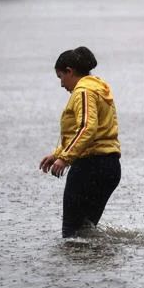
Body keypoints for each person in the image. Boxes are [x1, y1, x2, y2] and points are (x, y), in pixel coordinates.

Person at [39, 46, 121, 238]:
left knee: (71, 235)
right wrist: (58, 154)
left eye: (61, 77)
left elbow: (87, 128)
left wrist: (65, 158)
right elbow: (93, 130)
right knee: (85, 233)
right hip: (109, 167)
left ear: (70, 71)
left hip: (90, 168)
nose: (61, 84)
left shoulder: (83, 91)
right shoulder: (99, 88)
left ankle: (77, 268)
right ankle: (97, 265)